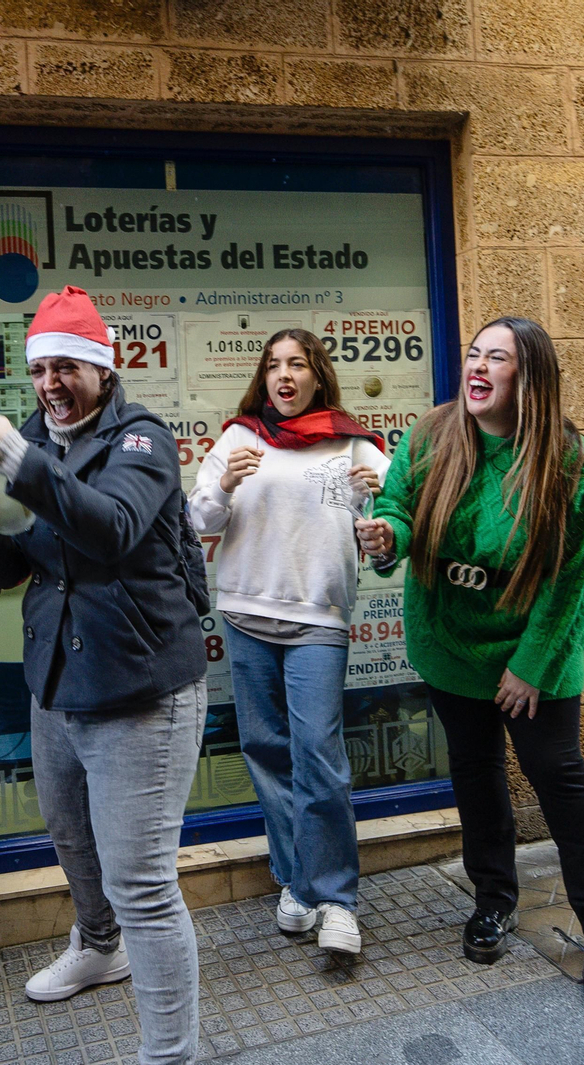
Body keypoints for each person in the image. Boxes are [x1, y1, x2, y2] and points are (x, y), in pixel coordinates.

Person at [0, 286, 207, 1065]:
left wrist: (21, 467)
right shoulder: (35, 439)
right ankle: (99, 949)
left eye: (68, 368)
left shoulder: (143, 441)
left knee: (143, 886)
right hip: (56, 685)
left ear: (104, 369)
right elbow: (15, 561)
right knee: (72, 843)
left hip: (140, 692)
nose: (51, 385)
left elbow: (114, 530)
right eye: (40, 370)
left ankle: (171, 1053)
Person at [355, 316, 584, 1003]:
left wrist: (533, 664)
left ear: (527, 376)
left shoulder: (567, 460)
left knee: (556, 773)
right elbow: (398, 504)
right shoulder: (432, 434)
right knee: (476, 774)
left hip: (533, 649)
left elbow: (578, 572)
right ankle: (494, 900)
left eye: (496, 358)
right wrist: (385, 536)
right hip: (451, 645)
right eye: (473, 353)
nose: (477, 367)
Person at [187, 328, 386, 955]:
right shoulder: (240, 437)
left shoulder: (353, 441)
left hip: (318, 620)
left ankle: (337, 899)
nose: (284, 376)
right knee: (268, 750)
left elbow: (392, 524)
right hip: (247, 615)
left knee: (319, 757)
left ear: (317, 374)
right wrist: (224, 487)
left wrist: (374, 513)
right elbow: (195, 522)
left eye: (297, 364)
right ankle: (297, 884)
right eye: (274, 365)